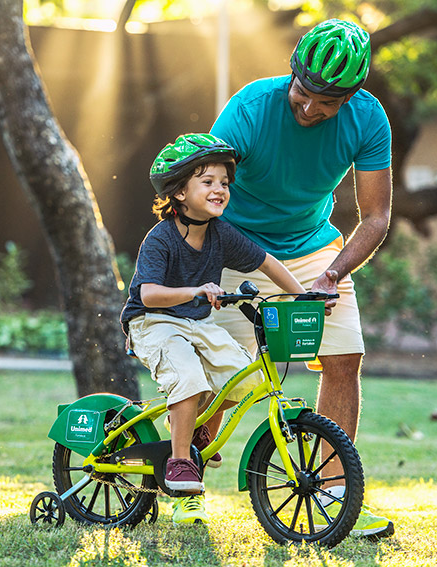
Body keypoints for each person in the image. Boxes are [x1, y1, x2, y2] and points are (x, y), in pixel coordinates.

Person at [209, 19, 395, 538]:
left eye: (327, 103)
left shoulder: (368, 119)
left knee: (343, 359)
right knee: (219, 377)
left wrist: (333, 274)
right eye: (304, 94)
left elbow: (375, 216)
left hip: (313, 251)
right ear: (292, 73)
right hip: (234, 244)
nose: (310, 109)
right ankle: (186, 480)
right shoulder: (249, 108)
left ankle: (334, 498)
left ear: (351, 98)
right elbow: (204, 193)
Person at [120, 133, 306, 525]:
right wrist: (196, 290)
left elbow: (267, 263)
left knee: (241, 379)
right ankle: (180, 459)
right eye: (207, 182)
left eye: (223, 182)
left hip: (196, 320)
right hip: (153, 322)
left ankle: (197, 432)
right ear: (180, 192)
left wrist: (303, 296)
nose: (219, 189)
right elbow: (149, 294)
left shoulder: (221, 234)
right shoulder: (161, 239)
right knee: (189, 377)